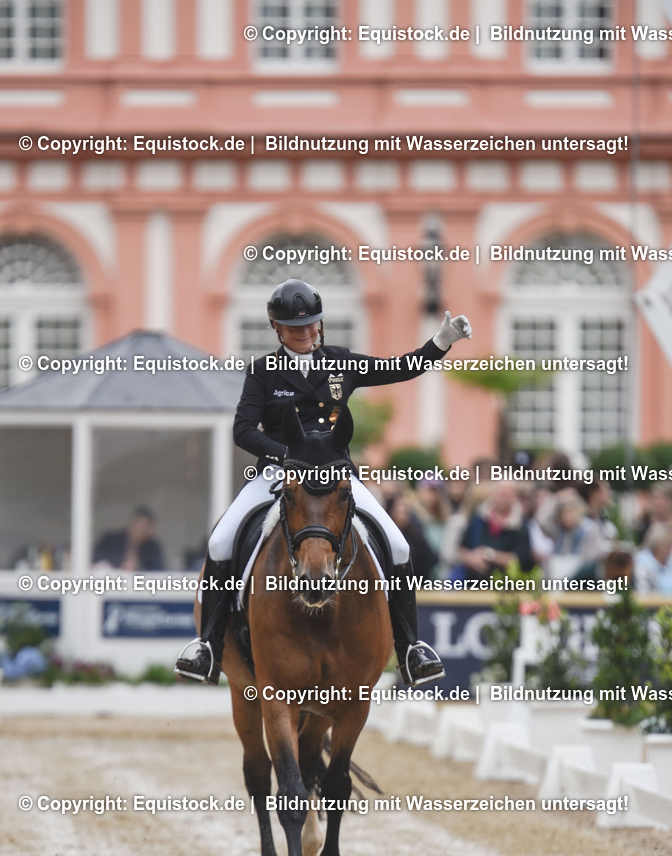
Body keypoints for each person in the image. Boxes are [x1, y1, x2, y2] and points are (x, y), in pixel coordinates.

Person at [175, 278, 471, 686]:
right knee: (220, 541)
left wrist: (440, 341)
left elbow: (401, 367)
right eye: (295, 328)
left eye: (311, 325)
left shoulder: (341, 362)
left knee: (399, 545)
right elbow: (243, 430)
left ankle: (410, 649)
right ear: (276, 329)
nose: (305, 333)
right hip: (280, 473)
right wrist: (286, 456)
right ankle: (207, 646)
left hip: (335, 477)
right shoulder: (263, 371)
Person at [93, 507, 165, 571]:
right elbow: (94, 558)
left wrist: (138, 567)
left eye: (144, 526)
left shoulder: (151, 547)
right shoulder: (110, 539)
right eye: (138, 524)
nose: (139, 529)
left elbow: (158, 570)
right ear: (131, 523)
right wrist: (121, 563)